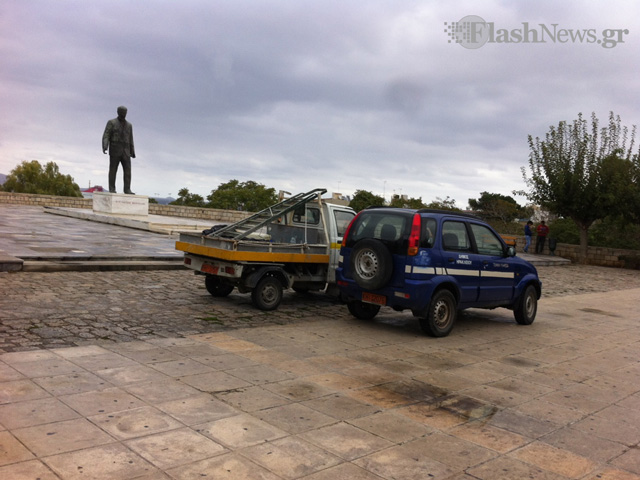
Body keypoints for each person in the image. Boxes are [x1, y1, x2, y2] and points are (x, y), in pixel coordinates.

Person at [102, 106, 135, 194]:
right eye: (122, 112)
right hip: (115, 149)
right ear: (118, 112)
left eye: (125, 112)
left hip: (126, 151)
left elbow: (131, 138)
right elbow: (106, 134)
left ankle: (127, 189)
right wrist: (105, 145)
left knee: (128, 171)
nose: (123, 114)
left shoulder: (129, 125)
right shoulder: (111, 122)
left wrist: (132, 151)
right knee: (113, 170)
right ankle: (112, 188)